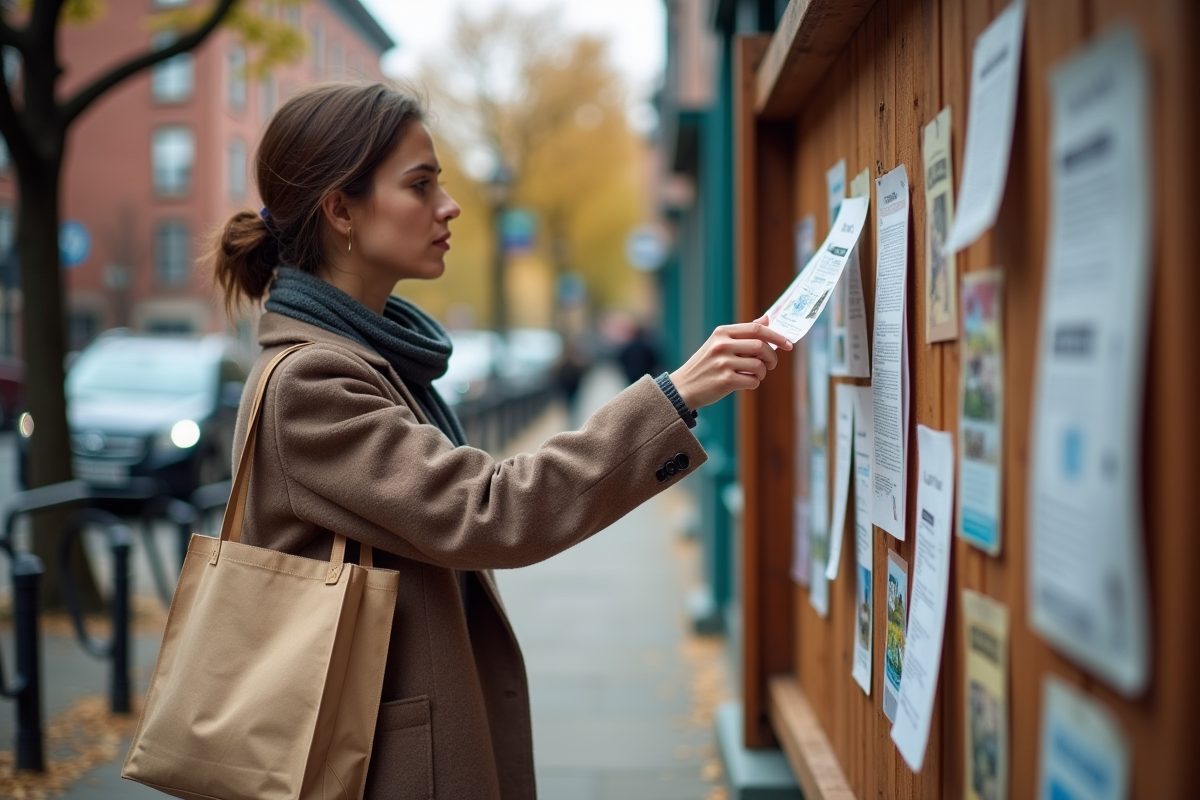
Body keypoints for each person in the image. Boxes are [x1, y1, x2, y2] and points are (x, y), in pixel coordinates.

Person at [212, 82, 790, 800]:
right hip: (369, 766)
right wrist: (673, 398)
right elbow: (491, 509)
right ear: (341, 211)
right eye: (420, 185)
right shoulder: (313, 381)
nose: (448, 207)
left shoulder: (369, 358)